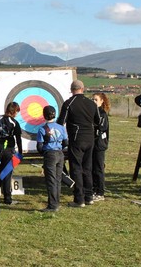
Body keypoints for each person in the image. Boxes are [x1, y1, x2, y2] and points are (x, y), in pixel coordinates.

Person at [57, 79, 101, 208]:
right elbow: (97, 121)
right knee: (87, 168)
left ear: (71, 90)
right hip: (90, 139)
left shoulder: (69, 103)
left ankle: (79, 199)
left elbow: (60, 123)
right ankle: (89, 197)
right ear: (83, 88)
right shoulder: (91, 104)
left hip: (76, 139)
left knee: (76, 168)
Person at [37, 105, 68, 212]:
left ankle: (52, 205)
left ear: (44, 115)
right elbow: (65, 142)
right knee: (58, 179)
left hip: (50, 154)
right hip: (60, 154)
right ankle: (56, 203)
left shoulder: (42, 129)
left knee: (51, 180)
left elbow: (39, 147)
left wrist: (45, 152)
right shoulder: (61, 127)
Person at [0, 101, 23, 205]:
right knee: (6, 173)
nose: (17, 114)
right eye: (17, 112)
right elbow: (18, 139)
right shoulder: (14, 122)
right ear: (14, 111)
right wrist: (20, 153)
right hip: (8, 150)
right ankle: (7, 198)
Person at [91, 92, 110, 201]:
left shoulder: (102, 114)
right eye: (92, 99)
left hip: (99, 145)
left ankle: (100, 192)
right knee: (92, 168)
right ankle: (94, 189)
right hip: (92, 144)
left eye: (96, 100)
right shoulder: (93, 112)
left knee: (98, 168)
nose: (93, 102)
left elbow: (101, 127)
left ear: (102, 101)